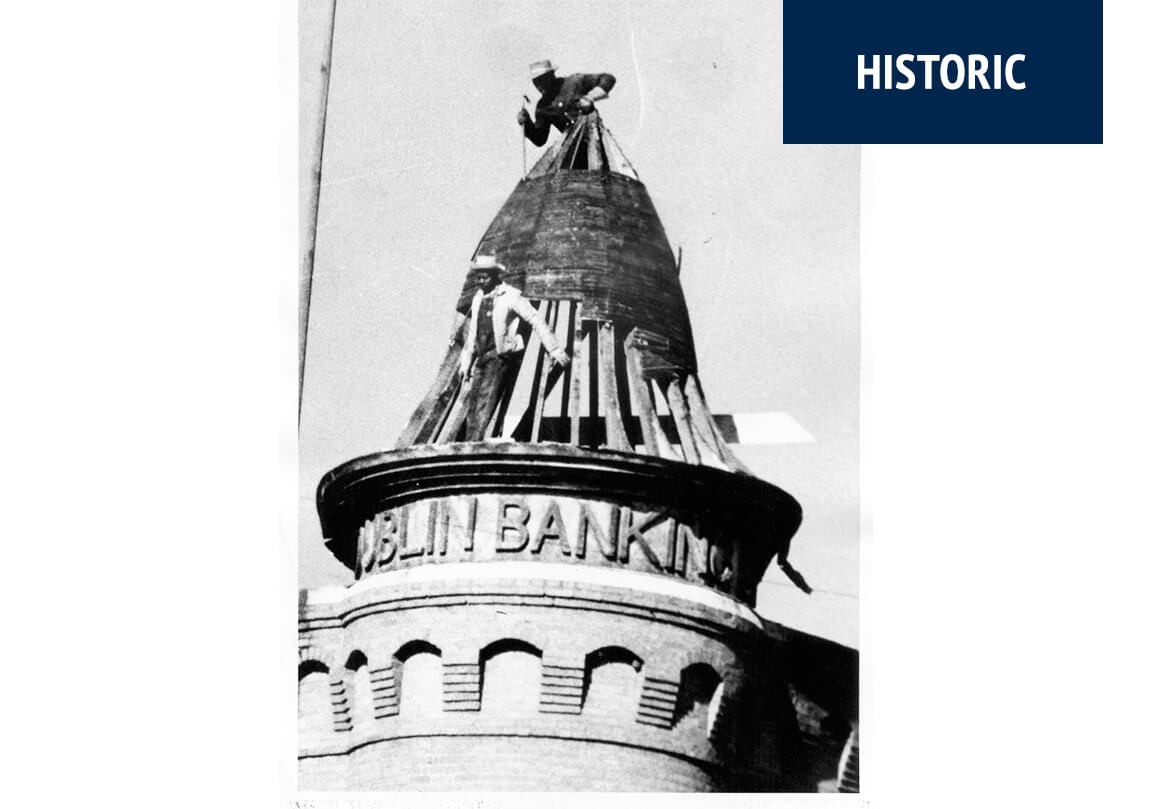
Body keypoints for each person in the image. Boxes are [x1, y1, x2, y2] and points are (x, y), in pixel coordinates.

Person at [457, 255, 570, 440]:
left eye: (484, 277)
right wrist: (466, 362)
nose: (481, 281)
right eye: (478, 277)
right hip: (482, 356)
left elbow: (535, 319)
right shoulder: (478, 298)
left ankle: (475, 443)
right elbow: (472, 333)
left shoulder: (510, 296)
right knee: (474, 401)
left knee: (486, 401)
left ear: (494, 276)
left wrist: (554, 348)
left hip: (499, 356)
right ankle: (470, 443)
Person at [517, 59, 616, 147]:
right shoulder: (543, 107)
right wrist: (526, 123)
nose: (539, 85)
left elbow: (608, 79)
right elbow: (539, 140)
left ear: (551, 76)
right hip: (573, 148)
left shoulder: (574, 82)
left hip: (595, 138)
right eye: (535, 81)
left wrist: (590, 98)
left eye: (542, 80)